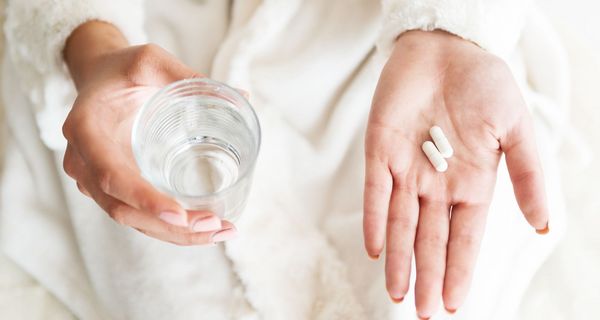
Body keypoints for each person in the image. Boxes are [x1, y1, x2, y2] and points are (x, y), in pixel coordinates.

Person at [1, 0, 567, 319]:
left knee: (429, 283)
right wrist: (87, 44)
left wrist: (453, 31)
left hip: (388, 41)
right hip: (146, 50)